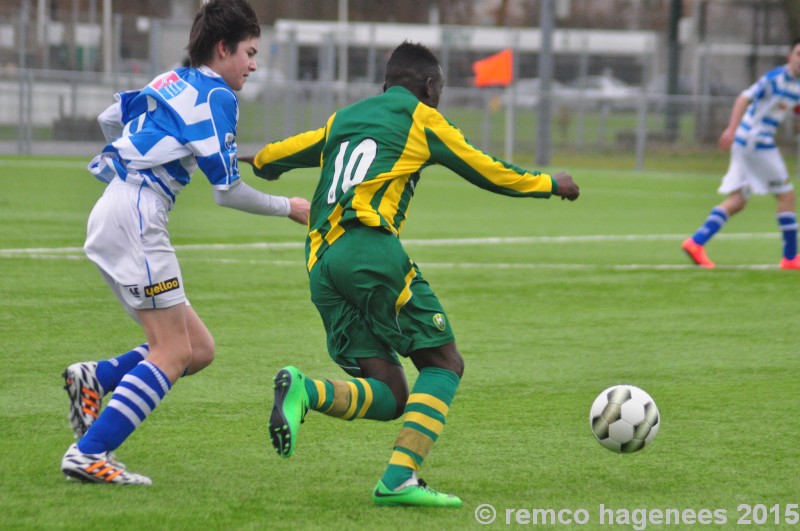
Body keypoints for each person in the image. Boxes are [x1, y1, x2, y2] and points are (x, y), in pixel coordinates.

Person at [241, 41, 580, 507]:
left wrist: (258, 161)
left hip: (321, 263)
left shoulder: (346, 117)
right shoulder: (422, 117)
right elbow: (486, 170)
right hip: (369, 251)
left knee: (392, 392)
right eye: (438, 89)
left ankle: (306, 390)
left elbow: (282, 153)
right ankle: (399, 479)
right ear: (428, 86)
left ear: (384, 85)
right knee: (444, 363)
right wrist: (550, 184)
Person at [60, 0, 310, 486]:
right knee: (172, 353)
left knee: (198, 349)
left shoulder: (170, 79)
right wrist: (289, 208)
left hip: (121, 206)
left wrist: (130, 170)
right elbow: (228, 191)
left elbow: (110, 119)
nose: (254, 65)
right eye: (250, 53)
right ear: (223, 48)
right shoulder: (219, 97)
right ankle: (89, 453)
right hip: (137, 216)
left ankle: (96, 377)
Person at [682, 38, 800, 269]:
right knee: (786, 195)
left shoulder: (796, 85)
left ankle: (696, 242)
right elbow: (744, 97)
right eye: (799, 53)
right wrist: (731, 128)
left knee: (738, 200)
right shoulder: (776, 78)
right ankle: (790, 257)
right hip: (755, 141)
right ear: (790, 57)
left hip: (746, 142)